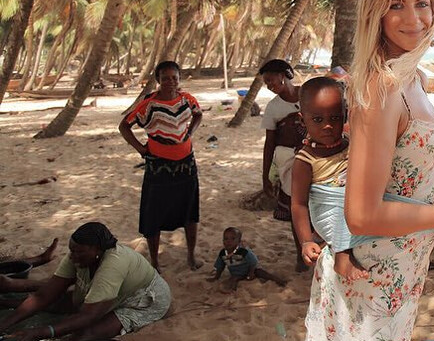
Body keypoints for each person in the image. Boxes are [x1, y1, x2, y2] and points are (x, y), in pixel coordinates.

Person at [304, 0, 434, 341]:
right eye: (396, 5)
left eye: (422, 3)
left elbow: (407, 183)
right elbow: (362, 215)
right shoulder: (381, 87)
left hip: (402, 272)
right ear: (377, 14)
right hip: (371, 277)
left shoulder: (414, 78)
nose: (414, 18)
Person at [0, 222, 171, 341]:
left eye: (79, 252)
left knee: (86, 334)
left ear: (98, 250)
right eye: (71, 251)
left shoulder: (113, 264)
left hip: (141, 300)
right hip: (110, 291)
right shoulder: (76, 256)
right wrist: (5, 324)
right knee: (60, 301)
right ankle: (7, 305)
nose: (73, 257)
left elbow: (89, 316)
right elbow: (44, 295)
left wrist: (42, 332)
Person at [119, 60, 202, 271]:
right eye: (165, 78)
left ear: (179, 79)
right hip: (158, 167)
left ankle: (191, 256)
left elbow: (198, 113)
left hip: (186, 165)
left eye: (174, 78)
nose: (170, 82)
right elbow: (124, 126)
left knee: (190, 212)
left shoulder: (187, 99)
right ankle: (154, 262)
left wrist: (190, 133)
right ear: (158, 80)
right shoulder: (148, 104)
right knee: (153, 214)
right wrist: (140, 149)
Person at [291, 76, 369, 281]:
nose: (327, 125)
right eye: (318, 120)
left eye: (334, 118)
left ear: (344, 116)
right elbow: (298, 204)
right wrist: (306, 241)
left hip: (355, 208)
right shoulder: (305, 160)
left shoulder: (351, 144)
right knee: (343, 210)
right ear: (302, 120)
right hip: (329, 213)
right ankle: (342, 256)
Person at [259, 58, 306, 272]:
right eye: (266, 83)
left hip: (316, 156)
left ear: (284, 75)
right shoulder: (273, 108)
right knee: (297, 206)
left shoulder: (309, 93)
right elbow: (269, 142)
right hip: (288, 161)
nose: (269, 85)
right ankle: (300, 253)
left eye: (271, 80)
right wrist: (266, 176)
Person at [206, 227, 286, 293]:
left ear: (239, 242)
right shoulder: (223, 253)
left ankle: (279, 281)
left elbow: (253, 262)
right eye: (226, 239)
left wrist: (251, 273)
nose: (228, 241)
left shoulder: (243, 251)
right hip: (237, 273)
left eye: (233, 239)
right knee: (233, 279)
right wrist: (216, 277)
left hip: (250, 269)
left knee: (262, 273)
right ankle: (232, 291)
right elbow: (220, 266)